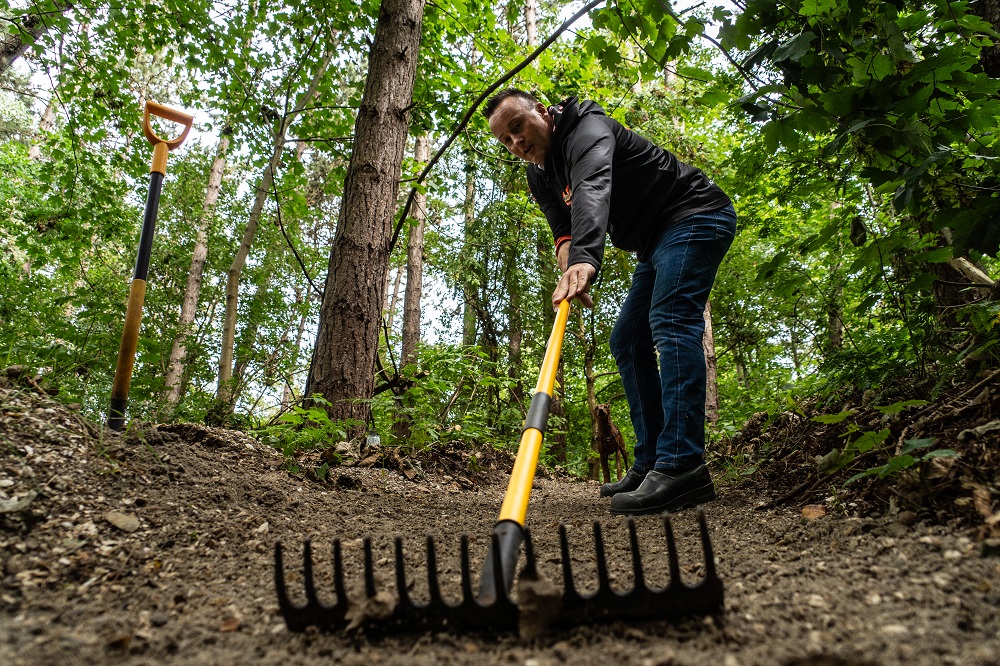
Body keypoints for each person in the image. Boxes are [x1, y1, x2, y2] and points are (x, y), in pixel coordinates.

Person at [484, 88, 736, 515]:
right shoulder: (539, 175)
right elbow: (562, 229)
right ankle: (652, 461)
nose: (516, 142)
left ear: (541, 112)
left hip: (694, 214)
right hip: (653, 242)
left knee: (671, 321)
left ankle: (683, 466)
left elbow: (593, 186)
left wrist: (586, 258)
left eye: (518, 126)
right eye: (505, 140)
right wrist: (570, 263)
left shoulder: (587, 129)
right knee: (627, 341)